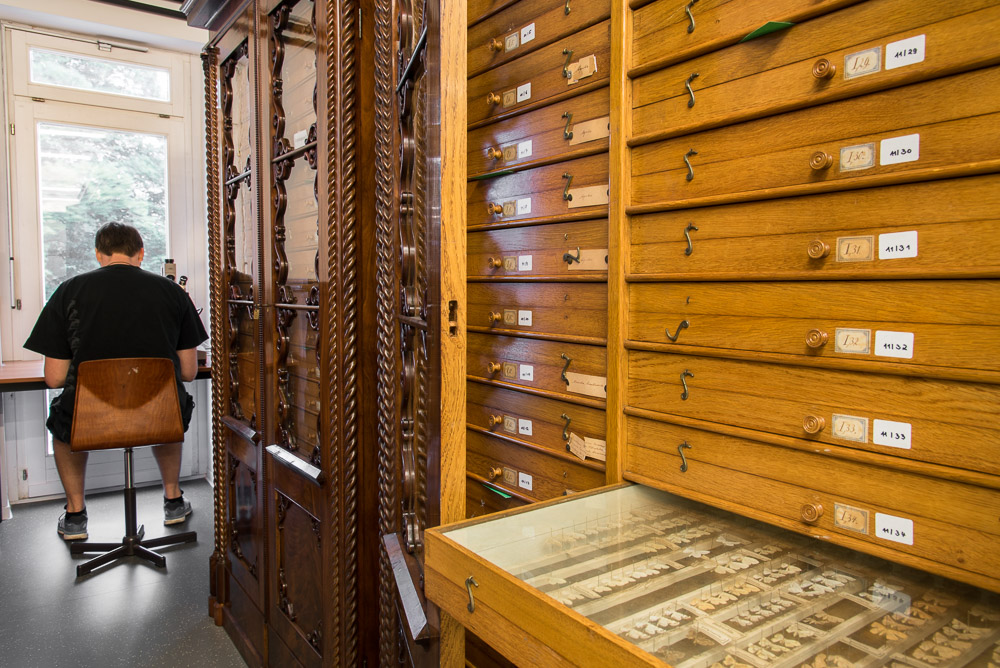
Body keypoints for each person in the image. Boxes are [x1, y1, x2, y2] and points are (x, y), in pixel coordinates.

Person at [23, 223, 208, 540]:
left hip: (91, 419)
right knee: (170, 401)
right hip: (157, 416)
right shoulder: (174, 293)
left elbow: (54, 378)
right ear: (140, 254)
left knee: (63, 419)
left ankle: (75, 513)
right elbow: (189, 372)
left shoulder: (69, 291)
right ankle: (173, 499)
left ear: (99, 254)